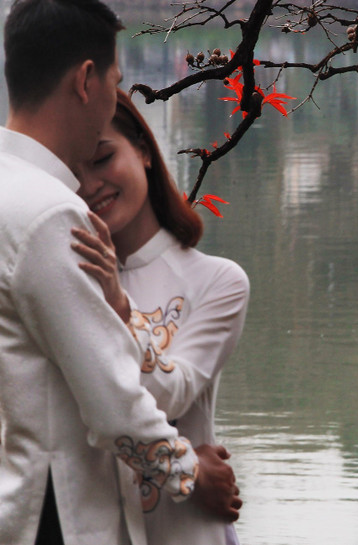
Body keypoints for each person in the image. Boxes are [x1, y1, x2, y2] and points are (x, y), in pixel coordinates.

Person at [0, 1, 225, 544]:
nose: (112, 104)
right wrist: (190, 472)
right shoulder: (51, 212)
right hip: (56, 514)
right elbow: (110, 402)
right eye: (114, 81)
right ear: (85, 80)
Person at [71, 89, 249, 545]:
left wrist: (119, 307)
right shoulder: (62, 283)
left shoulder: (217, 282)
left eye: (102, 159)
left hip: (186, 530)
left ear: (145, 151)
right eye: (73, 173)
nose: (89, 186)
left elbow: (172, 396)